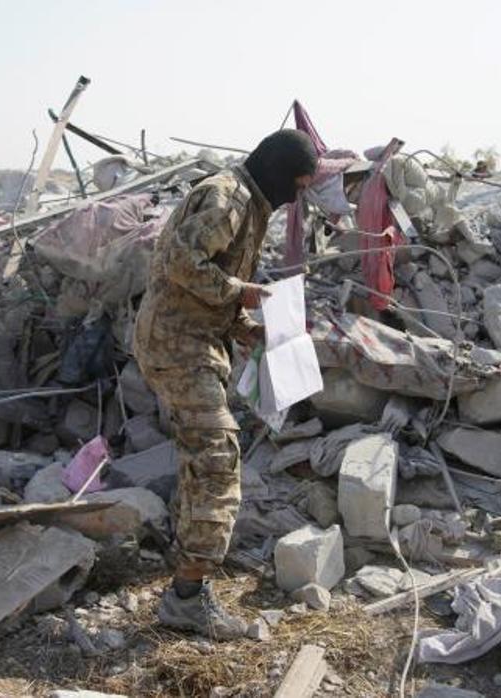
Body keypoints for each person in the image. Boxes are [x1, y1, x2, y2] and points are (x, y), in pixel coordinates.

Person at [133, 130, 317, 639]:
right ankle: (187, 598)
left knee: (202, 457)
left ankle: (187, 577)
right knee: (217, 459)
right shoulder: (228, 198)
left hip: (192, 341)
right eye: (297, 185)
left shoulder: (247, 201)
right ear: (278, 172)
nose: (297, 197)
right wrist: (246, 293)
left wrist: (250, 328)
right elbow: (180, 263)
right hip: (177, 346)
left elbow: (205, 282)